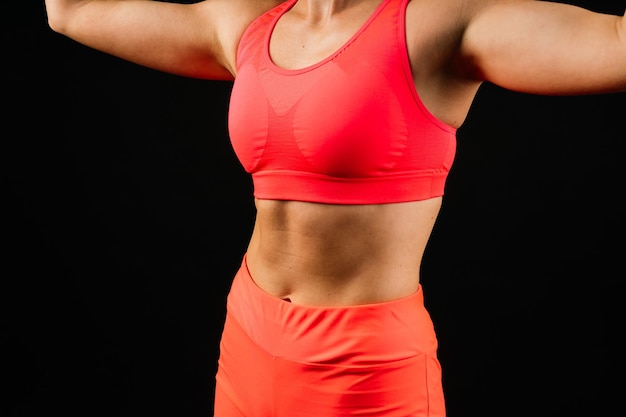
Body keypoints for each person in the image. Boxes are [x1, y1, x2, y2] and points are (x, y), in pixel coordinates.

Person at [43, 0, 626, 416]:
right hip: (249, 336)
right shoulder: (249, 22)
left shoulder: (441, 22)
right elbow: (67, 9)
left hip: (365, 371)